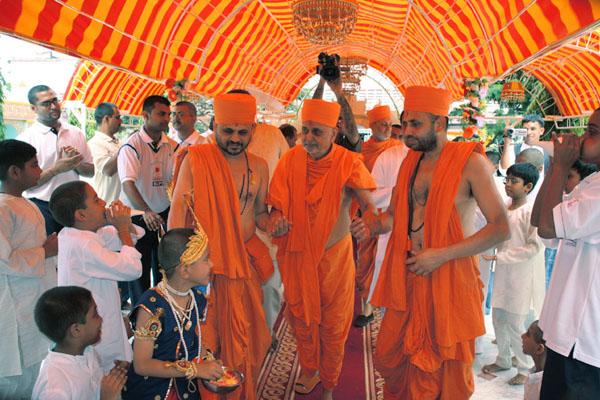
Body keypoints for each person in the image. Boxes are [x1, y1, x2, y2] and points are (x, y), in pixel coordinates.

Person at [353, 85, 510, 399]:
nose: (406, 131)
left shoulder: (471, 164)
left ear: (440, 124)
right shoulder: (410, 163)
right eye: (405, 122)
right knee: (389, 356)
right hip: (409, 278)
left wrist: (440, 256)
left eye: (415, 125)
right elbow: (396, 217)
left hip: (449, 280)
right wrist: (371, 226)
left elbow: (501, 229)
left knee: (442, 374)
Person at [268, 98, 377, 400]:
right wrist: (277, 220)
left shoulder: (348, 163)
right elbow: (275, 206)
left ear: (335, 129)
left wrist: (366, 224)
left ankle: (328, 383)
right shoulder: (290, 161)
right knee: (301, 319)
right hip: (298, 257)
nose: (309, 139)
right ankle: (309, 367)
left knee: (333, 325)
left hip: (335, 261)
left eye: (318, 132)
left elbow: (370, 208)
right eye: (306, 131)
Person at [168, 92, 272, 400]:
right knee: (207, 342)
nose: (235, 138)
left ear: (254, 129)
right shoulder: (197, 160)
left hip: (243, 267)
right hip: (204, 269)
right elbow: (177, 216)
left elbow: (260, 213)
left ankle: (241, 393)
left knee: (246, 339)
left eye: (243, 132)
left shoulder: (260, 166)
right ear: (215, 125)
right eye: (228, 131)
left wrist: (275, 222)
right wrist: (180, 271)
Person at [532, 107, 600, 399]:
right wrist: (554, 169)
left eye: (593, 132)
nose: (583, 138)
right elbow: (539, 219)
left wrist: (561, 166)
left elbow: (547, 227)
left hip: (584, 343)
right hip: (567, 336)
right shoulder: (592, 182)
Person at [48, 181, 144, 371]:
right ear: (81, 214)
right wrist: (123, 228)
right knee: (105, 380)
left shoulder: (75, 233)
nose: (103, 202)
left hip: (97, 320)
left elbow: (129, 238)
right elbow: (133, 269)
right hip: (95, 331)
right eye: (96, 200)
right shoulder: (83, 245)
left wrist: (121, 224)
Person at [124, 227, 224, 399]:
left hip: (184, 387)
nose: (212, 264)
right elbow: (141, 364)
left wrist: (207, 360)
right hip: (152, 390)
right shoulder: (153, 308)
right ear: (185, 270)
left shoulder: (197, 298)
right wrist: (195, 369)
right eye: (206, 259)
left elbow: (191, 340)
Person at [0, 140, 57, 400]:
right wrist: (45, 251)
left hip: (33, 294)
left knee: (36, 362)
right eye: (34, 165)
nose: (39, 169)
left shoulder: (23, 203)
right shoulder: (3, 208)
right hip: (14, 302)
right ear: (14, 172)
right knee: (17, 370)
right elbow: (4, 260)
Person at [481, 163, 545, 386]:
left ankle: (524, 367)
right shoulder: (504, 207)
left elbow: (534, 247)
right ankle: (504, 359)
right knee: (498, 317)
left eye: (513, 181)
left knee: (517, 322)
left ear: (527, 186)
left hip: (521, 276)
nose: (508, 184)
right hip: (502, 273)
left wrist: (503, 257)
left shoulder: (530, 212)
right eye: (506, 180)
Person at [118, 95, 176, 304]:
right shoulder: (131, 146)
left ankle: (162, 313)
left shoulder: (172, 146)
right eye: (161, 114)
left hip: (163, 212)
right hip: (137, 215)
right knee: (138, 271)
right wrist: (146, 211)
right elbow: (128, 184)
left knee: (163, 267)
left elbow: (175, 179)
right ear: (145, 115)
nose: (167, 119)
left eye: (168, 114)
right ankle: (139, 318)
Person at [18, 84, 94, 235]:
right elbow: (25, 184)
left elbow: (90, 172)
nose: (53, 106)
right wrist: (57, 169)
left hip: (74, 205)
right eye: (46, 103)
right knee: (51, 254)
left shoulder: (75, 132)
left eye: (55, 101)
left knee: (76, 253)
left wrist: (75, 163)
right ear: (34, 108)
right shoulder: (26, 140)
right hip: (42, 206)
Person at [32, 286, 128, 400]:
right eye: (95, 314)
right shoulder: (55, 387)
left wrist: (113, 378)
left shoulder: (87, 351)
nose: (101, 319)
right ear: (76, 330)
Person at [354, 104, 403, 327]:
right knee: (366, 259)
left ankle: (373, 306)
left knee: (388, 260)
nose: (386, 127)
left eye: (388, 123)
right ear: (371, 125)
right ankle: (367, 300)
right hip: (370, 212)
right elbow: (358, 183)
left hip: (395, 214)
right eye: (381, 123)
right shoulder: (363, 150)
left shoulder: (399, 148)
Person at [247, 122, 289, 339]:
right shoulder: (210, 146)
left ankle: (267, 335)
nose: (235, 136)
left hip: (266, 234)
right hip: (227, 239)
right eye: (228, 128)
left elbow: (289, 177)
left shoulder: (272, 135)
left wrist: (278, 212)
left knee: (270, 288)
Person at [312, 76, 362, 152]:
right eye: (336, 119)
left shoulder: (349, 144)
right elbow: (313, 114)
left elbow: (351, 128)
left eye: (341, 119)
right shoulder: (321, 142)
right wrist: (321, 82)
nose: (339, 123)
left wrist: (338, 92)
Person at [88, 102, 123, 204]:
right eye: (117, 117)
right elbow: (108, 170)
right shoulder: (94, 144)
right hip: (105, 205)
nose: (120, 121)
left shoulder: (120, 143)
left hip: (121, 205)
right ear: (106, 119)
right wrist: (126, 148)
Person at [522, 320, 547, 400]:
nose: (522, 336)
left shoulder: (543, 386)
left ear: (539, 348)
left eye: (528, 334)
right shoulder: (535, 371)